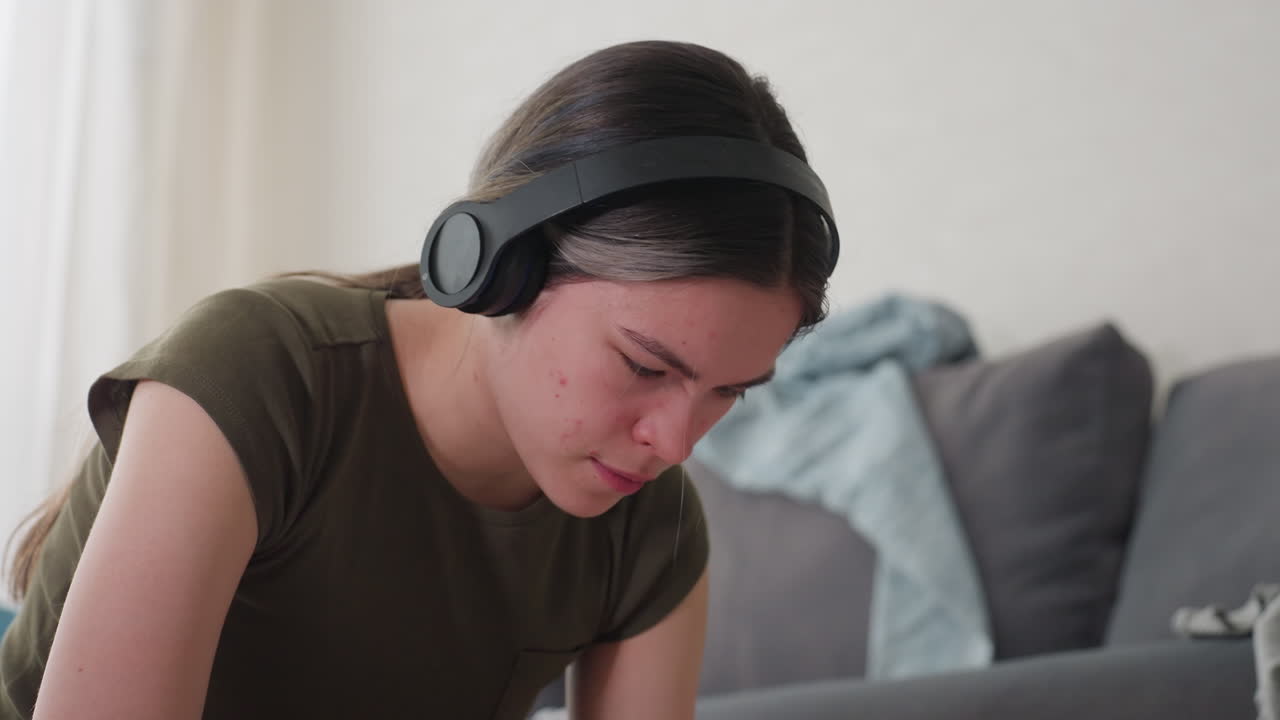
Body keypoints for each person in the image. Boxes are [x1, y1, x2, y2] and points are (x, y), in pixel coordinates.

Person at [0, 39, 836, 720]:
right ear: (496, 268)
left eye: (730, 391)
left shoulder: (646, 525)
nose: (677, 442)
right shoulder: (264, 372)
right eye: (646, 365)